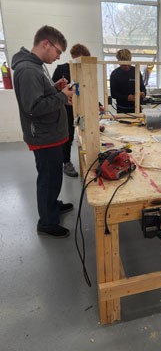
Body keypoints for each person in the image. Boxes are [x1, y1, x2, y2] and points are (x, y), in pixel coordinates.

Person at [12, 25, 75, 238]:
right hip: (43, 134)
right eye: (58, 51)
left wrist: (55, 88)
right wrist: (61, 96)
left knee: (53, 175)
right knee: (48, 178)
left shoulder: (36, 66)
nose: (58, 57)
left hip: (49, 133)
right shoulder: (28, 69)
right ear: (45, 44)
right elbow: (34, 107)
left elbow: (40, 95)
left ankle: (52, 206)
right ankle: (47, 223)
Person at [52, 43, 91, 177]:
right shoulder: (61, 69)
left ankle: (90, 156)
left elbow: (89, 89)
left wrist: (97, 104)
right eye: (78, 59)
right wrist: (61, 93)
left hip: (83, 107)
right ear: (73, 57)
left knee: (87, 132)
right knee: (67, 136)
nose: (80, 63)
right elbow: (52, 90)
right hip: (66, 109)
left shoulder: (86, 70)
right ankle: (66, 162)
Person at [110, 48, 146, 113]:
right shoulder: (115, 74)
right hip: (122, 109)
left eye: (128, 63)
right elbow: (114, 94)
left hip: (136, 108)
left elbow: (143, 88)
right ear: (118, 62)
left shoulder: (136, 71)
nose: (126, 66)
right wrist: (126, 97)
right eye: (123, 64)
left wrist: (143, 93)